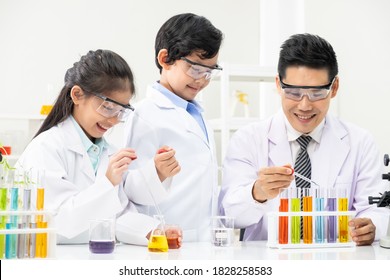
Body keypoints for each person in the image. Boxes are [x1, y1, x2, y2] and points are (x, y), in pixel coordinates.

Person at [219, 33, 389, 245]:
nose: (304, 105)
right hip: (268, 263)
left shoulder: (360, 143)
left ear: (334, 88)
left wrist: (372, 226)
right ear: (278, 85)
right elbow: (229, 216)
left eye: (317, 93)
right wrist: (257, 193)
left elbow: (377, 210)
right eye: (293, 92)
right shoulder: (248, 140)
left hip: (337, 263)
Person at [16, 49, 181, 246]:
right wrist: (108, 183)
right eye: (108, 108)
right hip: (54, 260)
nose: (113, 120)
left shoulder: (106, 151)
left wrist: (153, 230)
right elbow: (60, 221)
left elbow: (115, 214)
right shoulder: (45, 149)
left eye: (121, 111)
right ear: (77, 95)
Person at [123, 13, 223, 242]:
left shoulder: (197, 113)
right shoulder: (144, 116)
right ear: (165, 58)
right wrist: (156, 174)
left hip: (201, 240)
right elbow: (127, 190)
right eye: (196, 69)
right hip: (164, 241)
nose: (202, 80)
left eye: (209, 72)